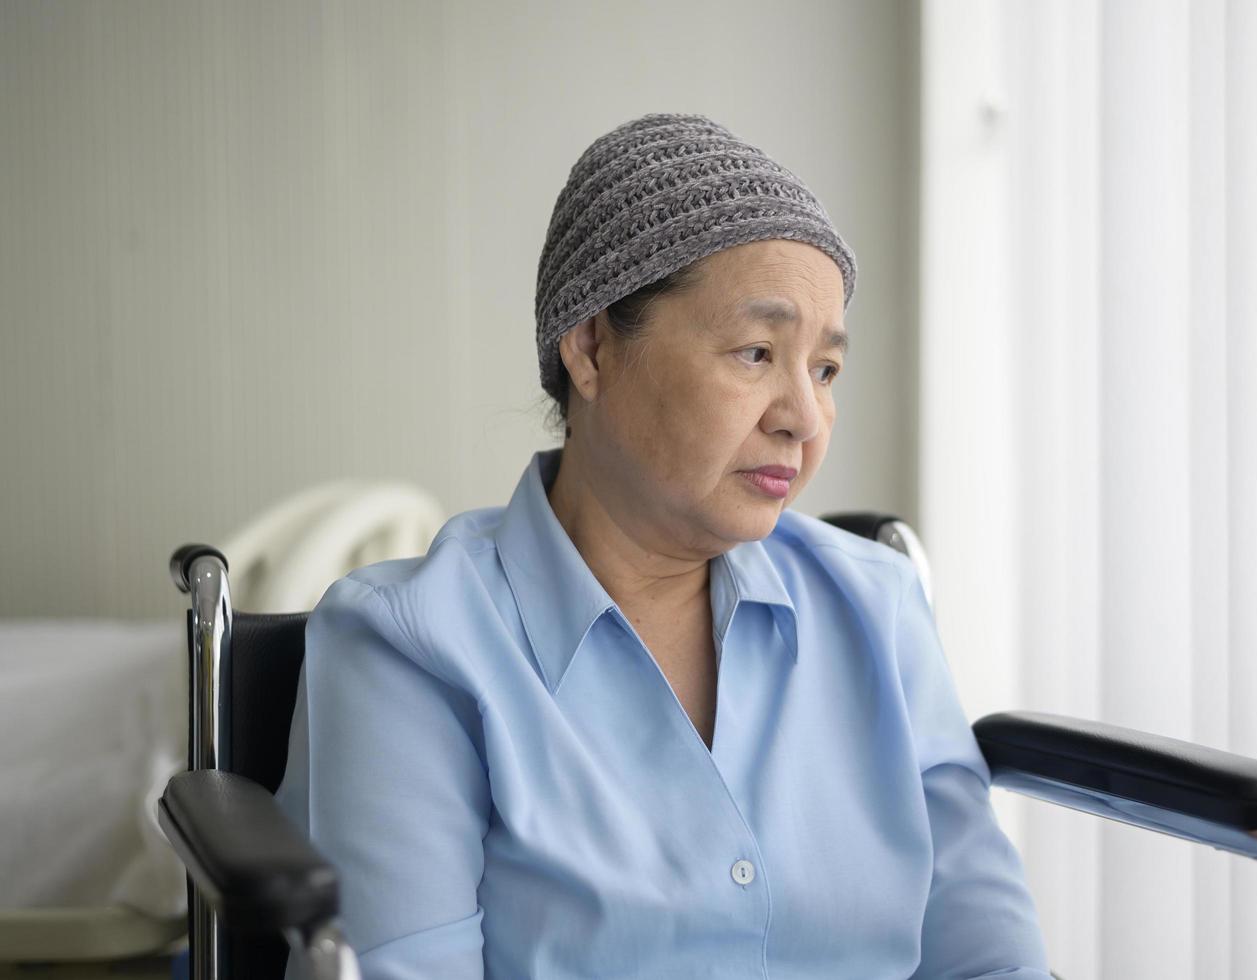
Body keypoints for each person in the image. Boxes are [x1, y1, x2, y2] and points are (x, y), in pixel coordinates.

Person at [276, 112, 1050, 979]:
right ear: (592, 347)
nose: (803, 417)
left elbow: (989, 958)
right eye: (756, 352)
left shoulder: (878, 604)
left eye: (824, 369)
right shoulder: (410, 646)